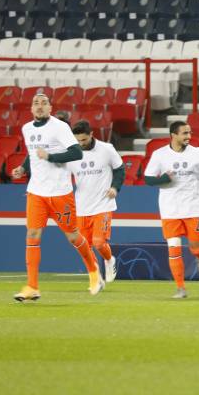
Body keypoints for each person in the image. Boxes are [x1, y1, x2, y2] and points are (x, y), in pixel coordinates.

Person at [10, 94, 103, 301]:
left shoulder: (60, 127)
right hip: (36, 192)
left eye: (44, 103)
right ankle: (32, 287)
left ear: (50, 107)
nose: (40, 106)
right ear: (31, 108)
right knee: (32, 235)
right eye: (36, 103)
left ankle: (94, 270)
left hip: (60, 193)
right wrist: (23, 168)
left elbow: (77, 153)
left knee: (73, 237)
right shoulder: (27, 129)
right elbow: (33, 154)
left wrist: (51, 157)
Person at [143, 121, 199, 299]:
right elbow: (149, 179)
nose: (188, 136)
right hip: (170, 209)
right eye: (184, 133)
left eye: (189, 133)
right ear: (173, 135)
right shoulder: (160, 155)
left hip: (193, 208)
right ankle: (181, 288)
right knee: (173, 249)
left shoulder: (196, 153)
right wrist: (164, 179)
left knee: (195, 248)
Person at [68, 120, 125, 284]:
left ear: (91, 134)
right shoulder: (72, 153)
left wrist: (115, 188)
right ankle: (95, 276)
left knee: (99, 243)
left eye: (83, 140)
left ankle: (109, 260)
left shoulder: (106, 149)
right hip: (81, 207)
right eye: (77, 140)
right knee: (84, 247)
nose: (81, 143)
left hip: (103, 204)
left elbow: (120, 169)